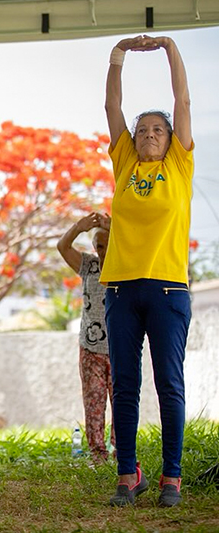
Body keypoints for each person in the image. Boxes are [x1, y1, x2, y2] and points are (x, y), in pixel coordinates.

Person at [102, 35, 194, 507]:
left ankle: (172, 477)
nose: (149, 135)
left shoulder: (179, 165)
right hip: (119, 289)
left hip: (167, 290)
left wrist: (168, 48)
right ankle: (127, 473)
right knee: (125, 386)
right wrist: (118, 54)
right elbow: (111, 103)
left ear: (171, 137)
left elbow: (181, 98)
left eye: (158, 130)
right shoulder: (124, 164)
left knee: (169, 384)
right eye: (143, 131)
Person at [57, 212, 115, 464]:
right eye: (99, 246)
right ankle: (97, 454)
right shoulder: (89, 265)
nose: (103, 251)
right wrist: (79, 227)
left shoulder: (127, 268)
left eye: (108, 244)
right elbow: (63, 246)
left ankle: (120, 452)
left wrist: (113, 226)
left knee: (122, 403)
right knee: (93, 403)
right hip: (90, 348)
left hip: (120, 348)